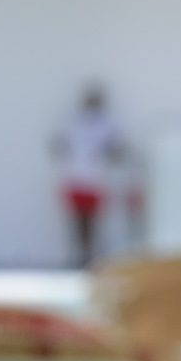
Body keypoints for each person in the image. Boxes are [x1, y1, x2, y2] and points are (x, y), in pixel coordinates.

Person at [50, 85, 127, 265]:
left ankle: (91, 256)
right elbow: (58, 142)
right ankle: (79, 256)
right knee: (77, 221)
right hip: (75, 178)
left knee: (92, 221)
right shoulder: (73, 120)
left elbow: (118, 148)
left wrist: (110, 152)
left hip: (95, 180)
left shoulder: (108, 122)